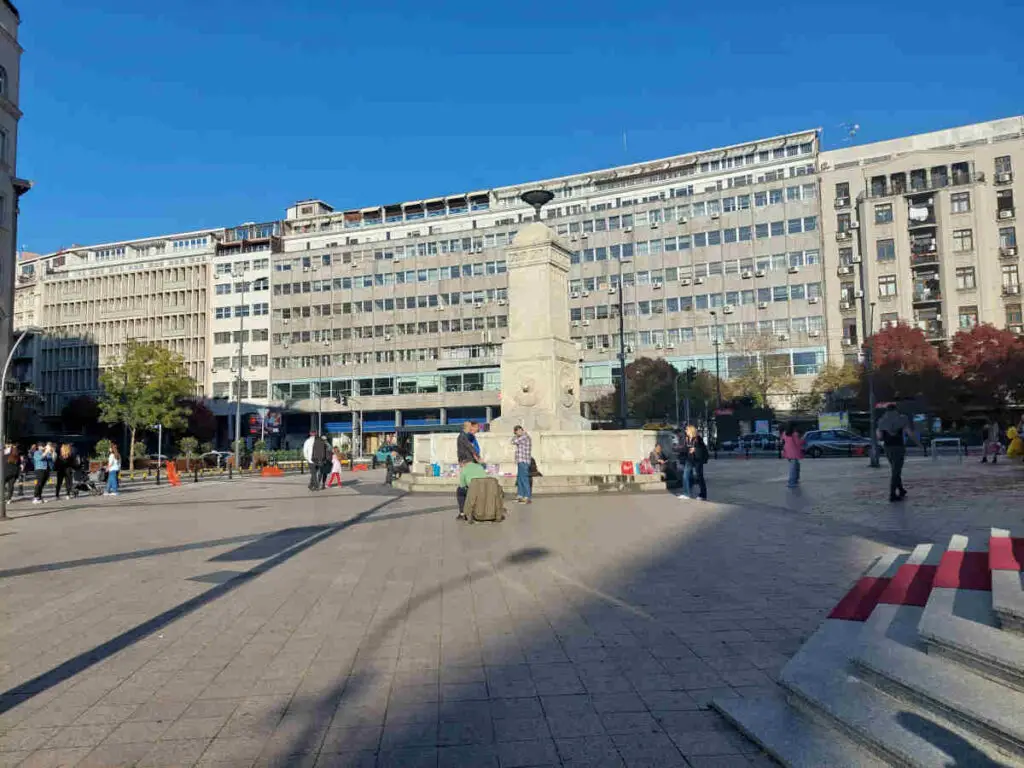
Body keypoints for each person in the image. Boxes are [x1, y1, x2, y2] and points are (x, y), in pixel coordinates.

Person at [877, 404, 913, 502]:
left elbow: (879, 436)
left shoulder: (882, 421)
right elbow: (909, 432)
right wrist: (918, 443)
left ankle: (901, 490)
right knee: (896, 471)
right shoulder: (900, 420)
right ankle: (892, 494)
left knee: (895, 469)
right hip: (898, 447)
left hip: (887, 448)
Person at [680, 425, 709, 500]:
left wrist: (695, 449)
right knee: (685, 476)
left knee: (700, 477)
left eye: (686, 429)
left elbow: (702, 449)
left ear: (690, 430)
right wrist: (681, 448)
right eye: (685, 430)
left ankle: (703, 495)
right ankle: (686, 494)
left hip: (697, 460)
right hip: (689, 459)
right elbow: (686, 449)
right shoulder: (686, 439)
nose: (685, 431)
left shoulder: (698, 438)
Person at [511, 425, 533, 504]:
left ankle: (527, 497)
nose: (519, 432)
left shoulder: (525, 437)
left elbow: (513, 441)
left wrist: (516, 436)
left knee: (524, 479)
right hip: (520, 461)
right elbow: (512, 440)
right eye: (517, 431)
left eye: (520, 430)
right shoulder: (520, 437)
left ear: (522, 430)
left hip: (524, 461)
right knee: (520, 479)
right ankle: (520, 495)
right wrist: (516, 436)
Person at [781, 424, 805, 488]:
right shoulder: (795, 434)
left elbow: (783, 441)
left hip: (787, 452)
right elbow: (798, 443)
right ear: (793, 427)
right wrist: (803, 439)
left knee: (795, 466)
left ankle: (795, 480)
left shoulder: (784, 433)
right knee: (793, 468)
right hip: (794, 453)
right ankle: (792, 482)